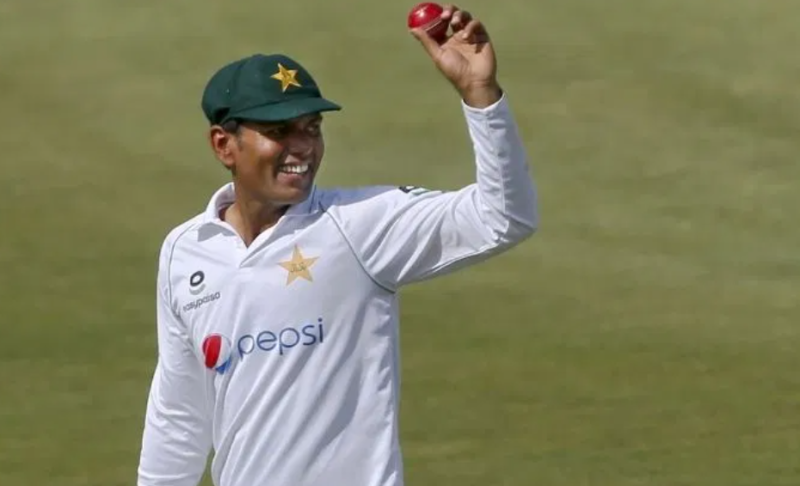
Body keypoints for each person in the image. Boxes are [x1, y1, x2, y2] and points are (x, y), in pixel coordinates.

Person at [136, 4, 538, 486]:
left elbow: (503, 217)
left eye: (312, 128)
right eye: (279, 132)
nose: (302, 147)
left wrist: (480, 96)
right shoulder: (186, 251)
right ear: (224, 145)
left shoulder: (359, 225)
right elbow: (179, 414)